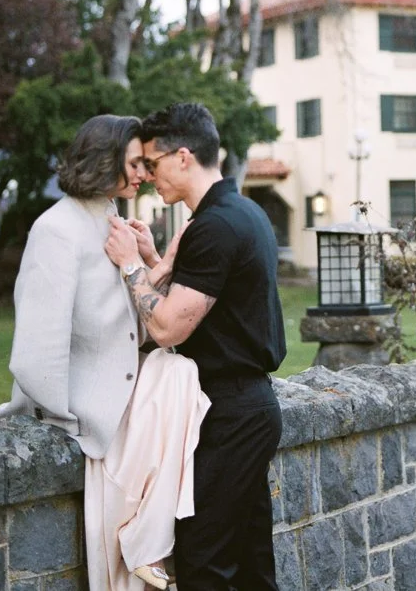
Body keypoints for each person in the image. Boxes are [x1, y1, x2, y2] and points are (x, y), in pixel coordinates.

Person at [0, 114, 210, 591]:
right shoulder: (57, 229)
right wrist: (70, 422)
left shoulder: (114, 221)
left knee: (179, 374)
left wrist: (159, 264)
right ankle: (144, 550)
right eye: (135, 163)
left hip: (125, 398)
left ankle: (148, 545)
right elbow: (36, 346)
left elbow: (135, 327)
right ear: (103, 159)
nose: (144, 174)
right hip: (87, 415)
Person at [104, 102, 286, 591]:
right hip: (242, 406)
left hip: (229, 414)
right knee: (250, 564)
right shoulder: (240, 211)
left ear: (183, 157)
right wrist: (156, 263)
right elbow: (206, 309)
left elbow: (166, 329)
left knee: (204, 559)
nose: (145, 174)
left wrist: (129, 266)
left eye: (152, 163)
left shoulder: (216, 225)